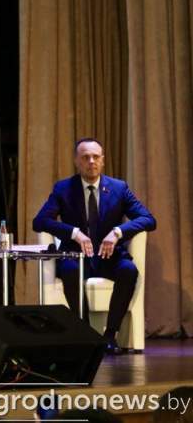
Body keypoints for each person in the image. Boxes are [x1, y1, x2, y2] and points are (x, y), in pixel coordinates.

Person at [32, 138, 156, 356]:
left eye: (95, 157)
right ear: (77, 161)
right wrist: (74, 233)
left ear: (102, 160)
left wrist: (118, 232)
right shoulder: (63, 188)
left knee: (128, 270)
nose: (91, 161)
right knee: (69, 270)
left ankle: (110, 335)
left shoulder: (119, 188)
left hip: (109, 256)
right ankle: (86, 334)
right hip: (77, 255)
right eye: (85, 157)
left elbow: (148, 219)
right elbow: (40, 221)